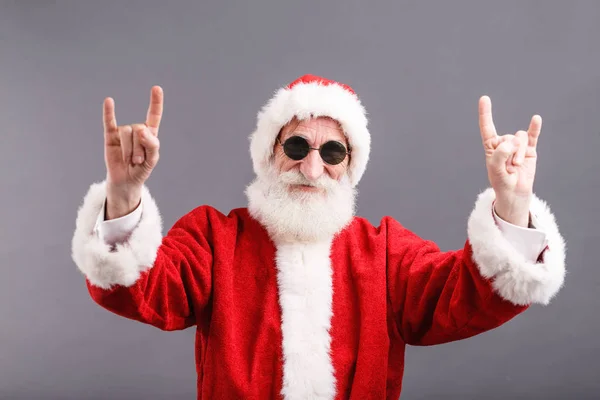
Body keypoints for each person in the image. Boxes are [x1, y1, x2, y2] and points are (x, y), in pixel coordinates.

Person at [71, 74, 566, 399]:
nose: (312, 167)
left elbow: (466, 296)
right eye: (296, 146)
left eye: (332, 153)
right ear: (268, 155)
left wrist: (512, 202)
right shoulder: (214, 238)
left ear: (349, 168)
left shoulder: (386, 253)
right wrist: (124, 194)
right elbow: (141, 287)